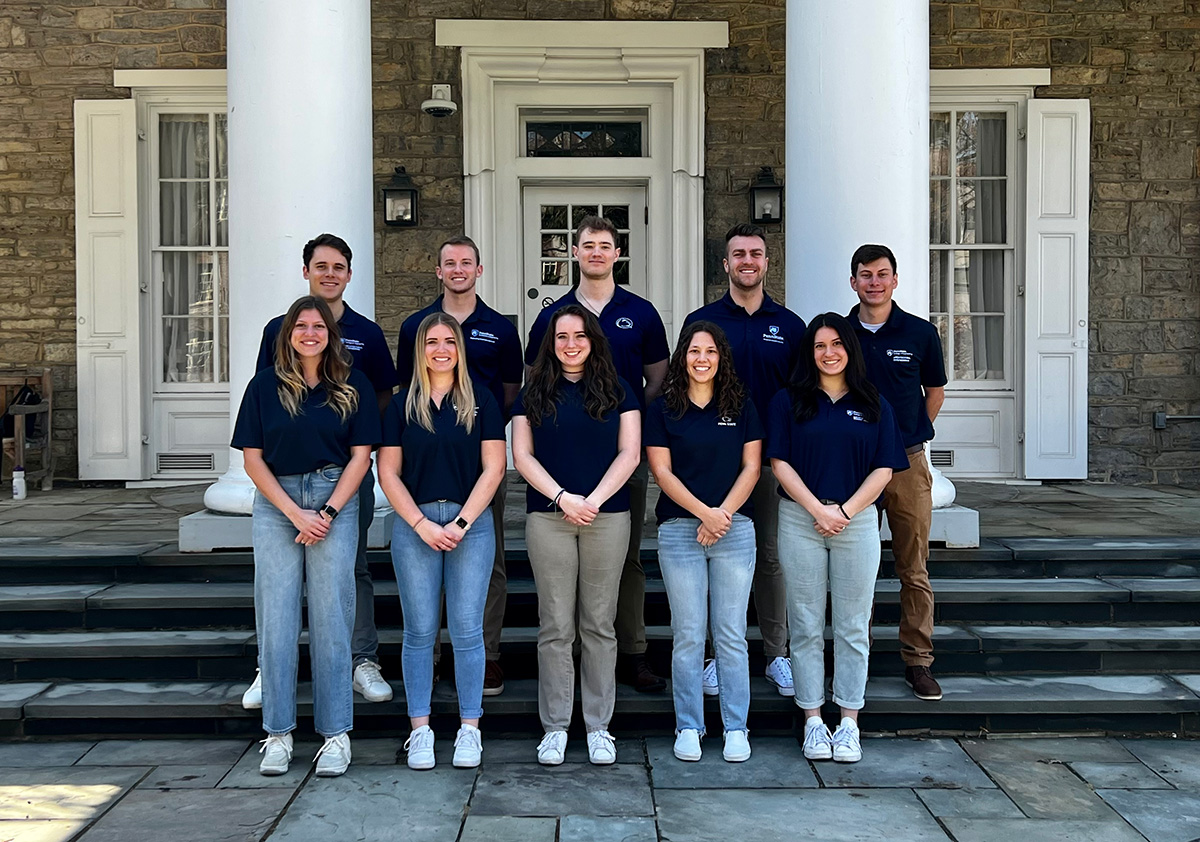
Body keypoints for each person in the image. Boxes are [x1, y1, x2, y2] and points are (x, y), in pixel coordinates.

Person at [243, 233, 399, 710]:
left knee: (353, 567)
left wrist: (348, 433)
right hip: (284, 478)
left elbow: (382, 398)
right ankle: (269, 669)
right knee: (275, 584)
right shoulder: (278, 328)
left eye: (338, 267)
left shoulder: (367, 334)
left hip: (344, 469)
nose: (329, 273)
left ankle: (359, 660)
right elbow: (265, 399)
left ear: (349, 275)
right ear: (306, 271)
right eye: (321, 266)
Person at [232, 295, 381, 777]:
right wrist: (296, 513)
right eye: (302, 326)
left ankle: (336, 736)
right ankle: (277, 735)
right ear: (288, 334)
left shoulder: (352, 383)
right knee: (275, 619)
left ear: (330, 335)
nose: (311, 333)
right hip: (278, 504)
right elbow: (252, 459)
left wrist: (329, 510)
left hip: (334, 495)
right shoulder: (262, 387)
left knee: (332, 618)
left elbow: (362, 456)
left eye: (319, 326)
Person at [524, 215, 669, 693]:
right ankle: (570, 668)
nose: (597, 253)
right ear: (576, 253)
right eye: (588, 246)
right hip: (560, 467)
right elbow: (534, 381)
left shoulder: (641, 313)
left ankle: (632, 653)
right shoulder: (553, 315)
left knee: (624, 558)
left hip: (624, 456)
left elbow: (659, 379)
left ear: (617, 253)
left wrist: (620, 418)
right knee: (562, 577)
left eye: (606, 246)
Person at [767, 313, 908, 764]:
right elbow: (779, 463)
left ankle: (848, 721)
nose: (829, 353)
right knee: (805, 625)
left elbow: (884, 468)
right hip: (799, 520)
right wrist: (817, 510)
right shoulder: (788, 401)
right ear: (809, 353)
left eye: (837, 344)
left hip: (858, 523)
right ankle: (812, 720)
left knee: (852, 627)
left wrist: (844, 512)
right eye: (819, 346)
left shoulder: (874, 403)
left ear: (851, 349)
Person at [513, 305, 641, 765]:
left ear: (594, 341)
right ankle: (555, 725)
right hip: (549, 517)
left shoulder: (620, 389)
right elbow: (522, 457)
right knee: (556, 626)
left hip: (607, 517)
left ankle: (599, 725)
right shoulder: (532, 393)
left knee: (599, 624)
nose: (570, 344)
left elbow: (630, 453)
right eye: (561, 337)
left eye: (580, 336)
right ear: (551, 343)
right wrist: (564, 497)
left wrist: (595, 500)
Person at [683, 223, 806, 697]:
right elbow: (682, 388)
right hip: (714, 462)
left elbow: (802, 398)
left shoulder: (791, 326)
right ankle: (715, 654)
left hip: (772, 463)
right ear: (726, 264)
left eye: (756, 253)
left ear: (767, 262)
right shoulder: (703, 322)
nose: (747, 261)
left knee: (771, 558)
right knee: (713, 554)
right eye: (739, 254)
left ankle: (777, 653)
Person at [396, 235, 522, 696]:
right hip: (424, 465)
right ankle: (427, 657)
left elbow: (511, 389)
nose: (457, 270)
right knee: (423, 564)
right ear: (438, 270)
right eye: (449, 263)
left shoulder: (501, 329)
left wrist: (478, 427)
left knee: (489, 563)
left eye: (466, 262)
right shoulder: (415, 326)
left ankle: (485, 655)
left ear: (478, 269)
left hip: (481, 464)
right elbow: (405, 388)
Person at [380, 313, 506, 770]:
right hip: (415, 528)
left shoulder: (482, 401)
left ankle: (470, 729)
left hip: (469, 526)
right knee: (419, 631)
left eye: (448, 341)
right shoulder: (401, 406)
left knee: (469, 631)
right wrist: (421, 524)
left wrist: (461, 523)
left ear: (459, 348)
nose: (440, 349)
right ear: (420, 349)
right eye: (431, 341)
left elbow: (494, 467)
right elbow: (388, 472)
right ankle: (421, 731)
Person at [645, 321, 763, 763]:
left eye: (710, 352)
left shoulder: (742, 404)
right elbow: (662, 473)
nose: (702, 359)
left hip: (734, 530)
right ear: (682, 357)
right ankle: (689, 725)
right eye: (694, 351)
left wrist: (722, 515)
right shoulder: (664, 410)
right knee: (690, 634)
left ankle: (736, 726)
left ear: (721, 358)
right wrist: (703, 513)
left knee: (730, 634)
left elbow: (751, 468)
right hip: (680, 531)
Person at [847, 244, 948, 701]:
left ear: (895, 280)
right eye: (865, 275)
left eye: (882, 274)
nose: (874, 282)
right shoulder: (840, 334)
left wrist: (912, 432)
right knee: (857, 568)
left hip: (907, 462)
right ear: (853, 282)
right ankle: (856, 656)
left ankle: (918, 661)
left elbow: (935, 391)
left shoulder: (921, 333)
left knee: (914, 568)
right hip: (854, 466)